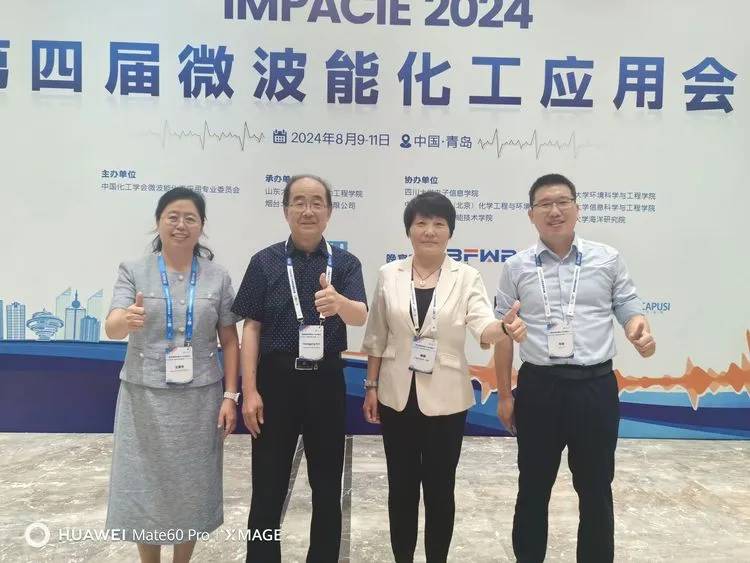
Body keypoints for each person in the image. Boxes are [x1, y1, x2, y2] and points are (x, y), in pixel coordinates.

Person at [494, 173, 656, 563]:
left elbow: (628, 306)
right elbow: (502, 333)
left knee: (596, 488)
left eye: (563, 202)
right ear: (531, 214)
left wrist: (638, 327)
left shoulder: (607, 259)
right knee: (533, 487)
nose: (555, 211)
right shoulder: (516, 267)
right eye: (544, 204)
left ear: (577, 208)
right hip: (539, 388)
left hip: (594, 388)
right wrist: (504, 395)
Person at [361, 191, 527, 563]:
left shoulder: (466, 277)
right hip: (396, 395)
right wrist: (370, 386)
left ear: (450, 231)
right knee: (401, 488)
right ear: (409, 230)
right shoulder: (389, 275)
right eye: (421, 223)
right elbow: (376, 336)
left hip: (448, 400)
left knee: (440, 489)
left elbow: (482, 324)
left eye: (439, 224)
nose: (430, 231)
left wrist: (502, 327)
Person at [232, 174, 368, 563]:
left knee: (326, 486)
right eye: (299, 202)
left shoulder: (346, 263)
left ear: (329, 211)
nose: (308, 210)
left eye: (316, 202)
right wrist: (249, 391)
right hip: (275, 382)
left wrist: (339, 303)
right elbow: (251, 327)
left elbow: (360, 316)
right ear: (286, 209)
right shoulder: (264, 262)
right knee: (268, 485)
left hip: (326, 381)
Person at [105, 187, 241, 563]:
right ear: (159, 222)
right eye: (173, 217)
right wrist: (126, 319)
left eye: (190, 218)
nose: (181, 225)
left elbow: (230, 340)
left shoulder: (217, 277)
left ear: (201, 226)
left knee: (192, 484)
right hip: (144, 397)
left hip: (200, 398)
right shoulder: (133, 270)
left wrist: (231, 396)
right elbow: (112, 327)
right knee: (144, 482)